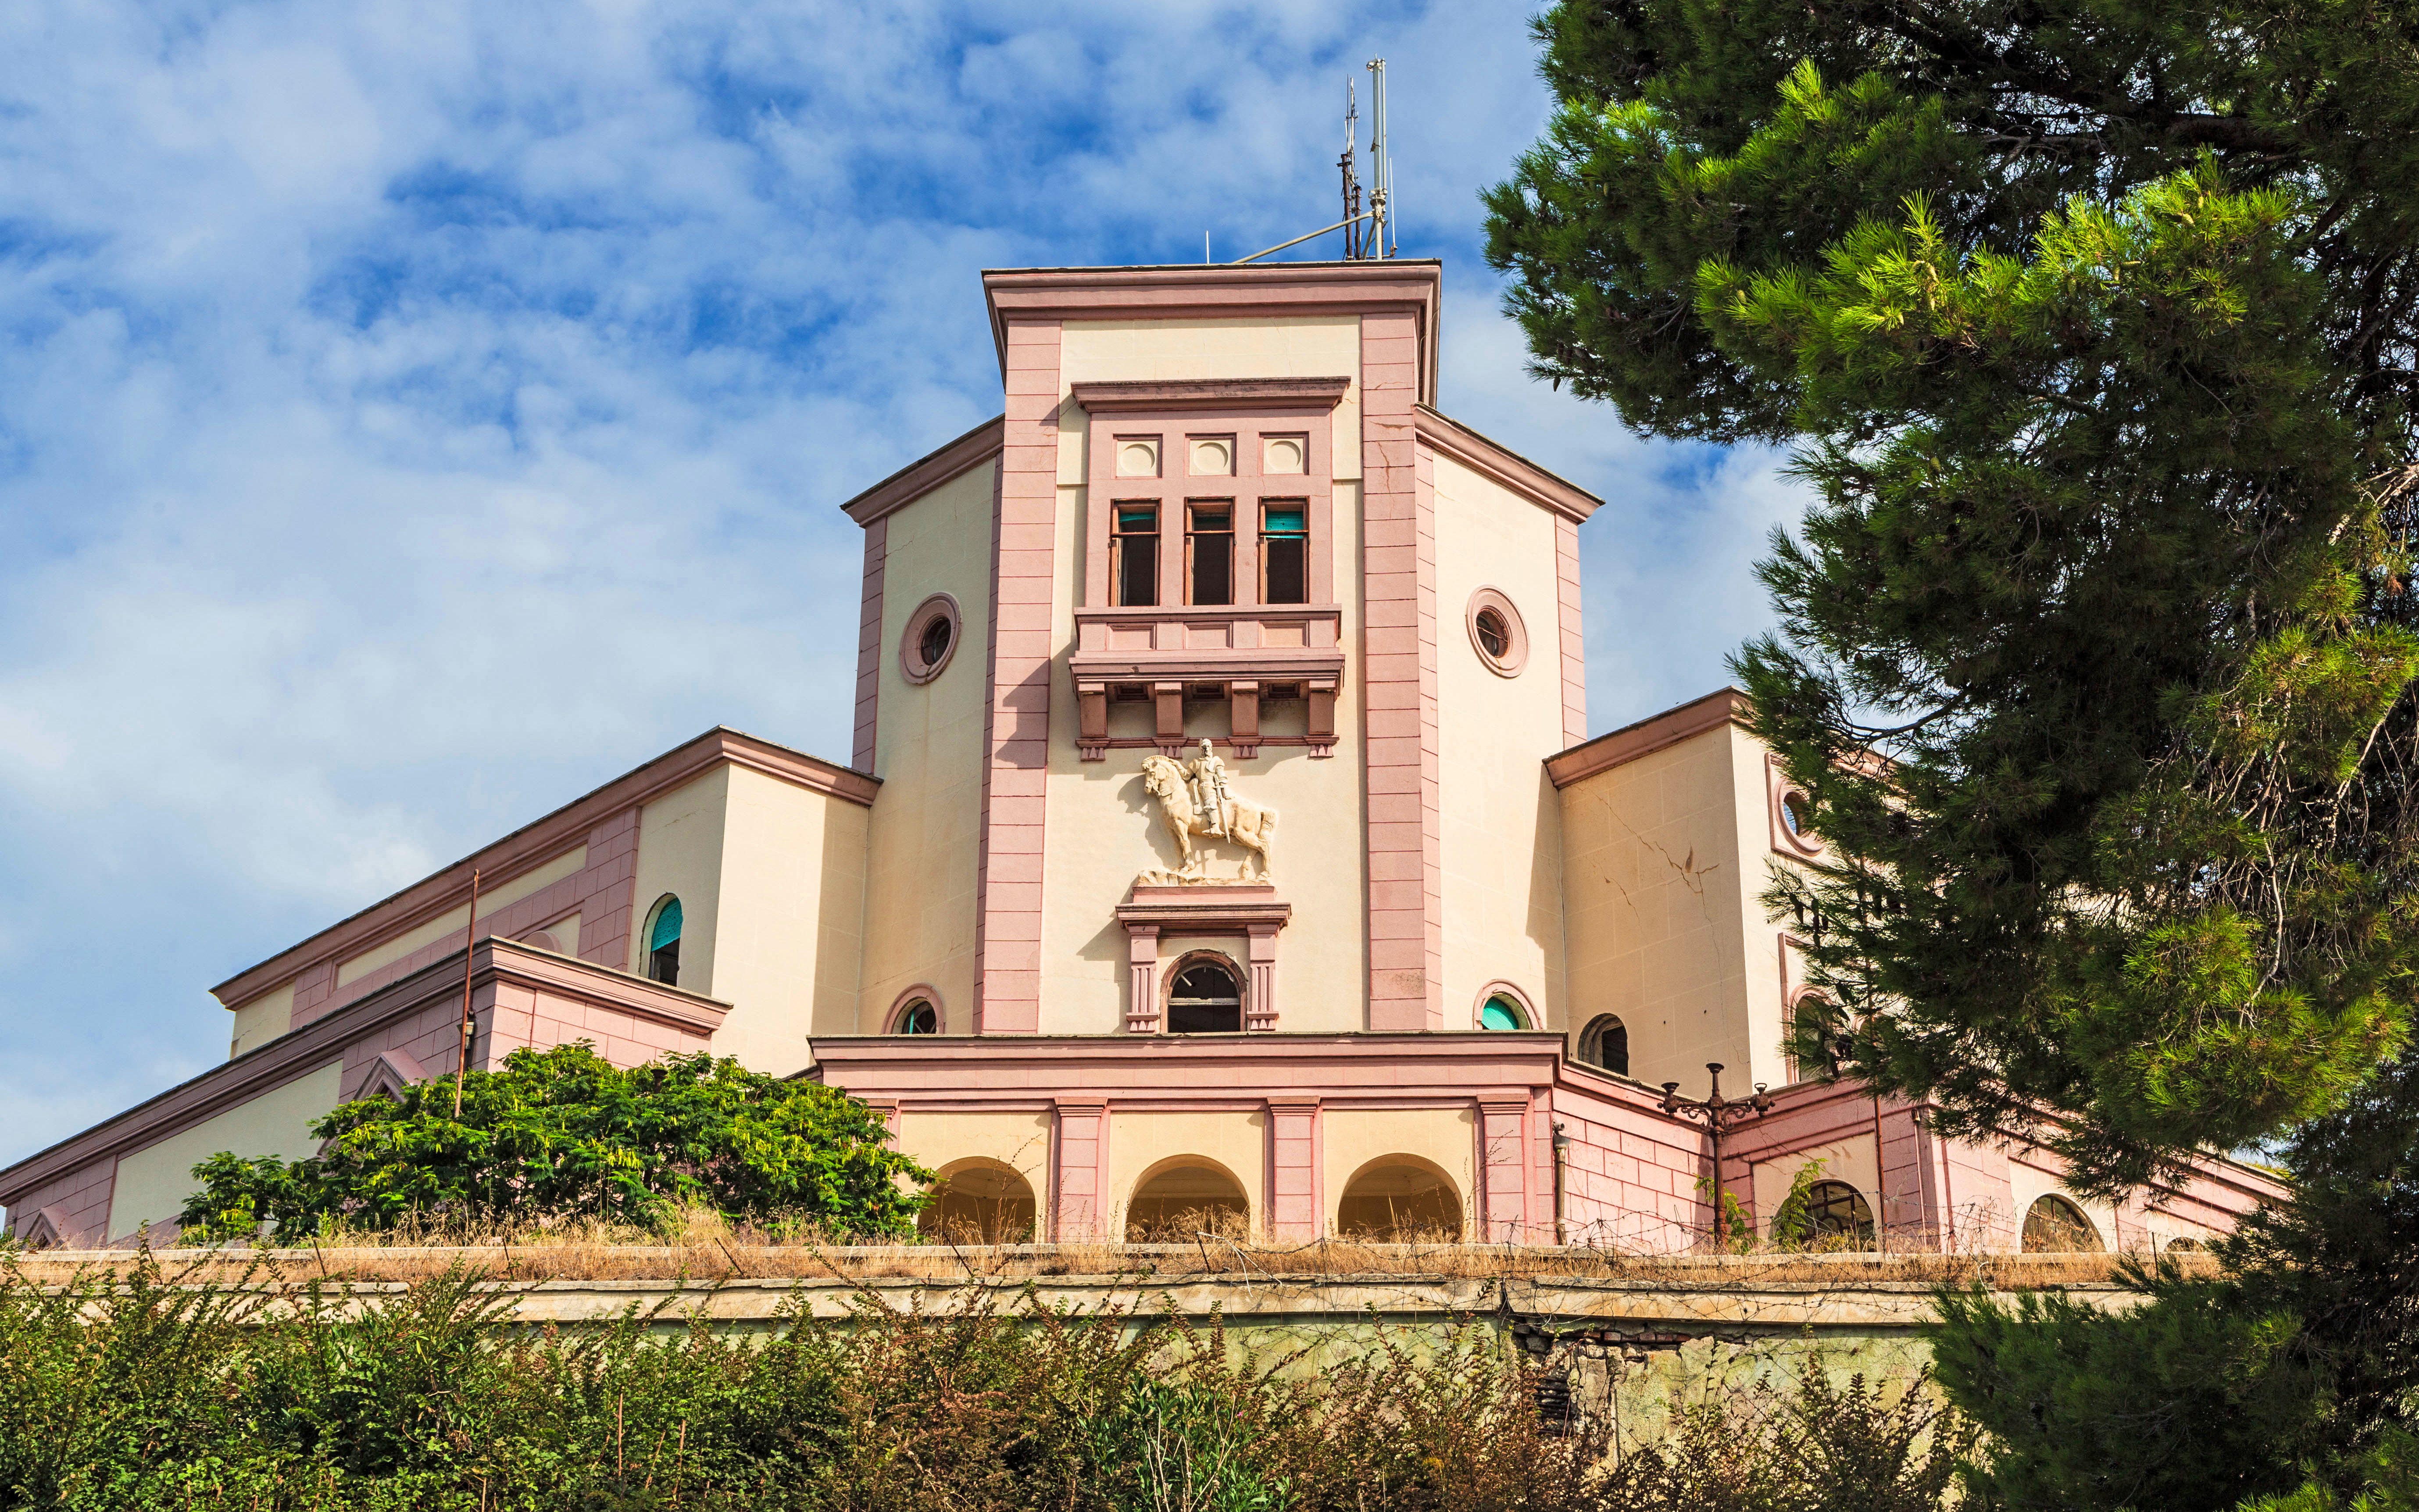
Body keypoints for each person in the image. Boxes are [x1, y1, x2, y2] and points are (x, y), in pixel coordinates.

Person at [1186, 738, 1231, 837]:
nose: (1206, 749)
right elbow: (1186, 776)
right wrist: (1176, 764)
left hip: (1210, 785)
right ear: (1201, 749)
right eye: (1204, 747)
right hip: (1198, 786)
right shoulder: (1196, 762)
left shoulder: (1216, 761)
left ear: (1211, 748)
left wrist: (1226, 793)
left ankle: (1215, 827)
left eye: (1208, 747)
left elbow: (1222, 777)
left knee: (1211, 804)